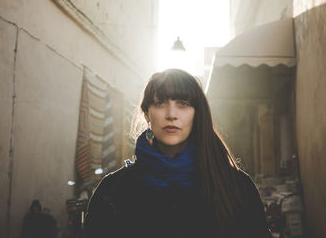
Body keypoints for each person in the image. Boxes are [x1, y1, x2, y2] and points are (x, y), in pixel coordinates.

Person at [84, 69, 271, 238]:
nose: (171, 114)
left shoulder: (236, 187)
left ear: (197, 114)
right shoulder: (113, 191)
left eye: (182, 103)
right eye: (160, 103)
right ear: (147, 114)